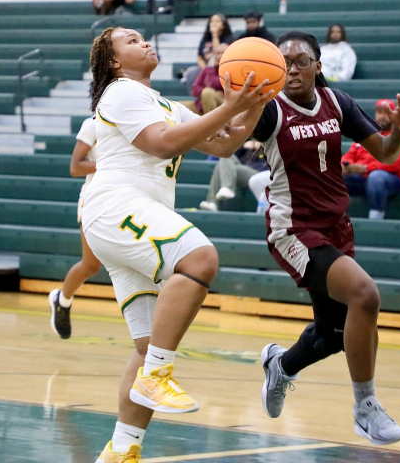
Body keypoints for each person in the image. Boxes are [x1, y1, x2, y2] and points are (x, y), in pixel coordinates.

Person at [82, 26, 272, 463]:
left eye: (143, 37)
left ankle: (121, 450)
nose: (145, 42)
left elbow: (225, 144)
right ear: (114, 62)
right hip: (116, 207)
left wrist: (254, 104)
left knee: (147, 346)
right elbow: (163, 144)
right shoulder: (120, 92)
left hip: (127, 219)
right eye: (132, 41)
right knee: (200, 258)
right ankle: (158, 375)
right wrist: (230, 106)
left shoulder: (166, 104)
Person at [239, 30, 400, 445]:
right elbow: (230, 142)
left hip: (336, 227)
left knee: (332, 336)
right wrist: (233, 108)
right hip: (293, 229)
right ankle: (366, 408)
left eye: (301, 61)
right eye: (284, 63)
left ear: (318, 65)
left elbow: (385, 153)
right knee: (365, 295)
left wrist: (399, 131)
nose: (292, 70)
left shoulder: (337, 102)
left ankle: (281, 365)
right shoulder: (270, 109)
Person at [48, 116, 102, 340]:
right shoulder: (93, 124)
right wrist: (111, 166)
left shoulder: (135, 122)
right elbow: (75, 167)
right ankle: (62, 300)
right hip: (94, 201)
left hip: (125, 200)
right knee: (91, 265)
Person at [341, 98, 400, 219]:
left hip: (391, 179)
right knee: (336, 177)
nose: (382, 117)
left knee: (376, 177)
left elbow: (395, 163)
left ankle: (375, 219)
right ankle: (340, 218)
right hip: (363, 178)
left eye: (386, 113)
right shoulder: (367, 133)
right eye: (379, 112)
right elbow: (350, 154)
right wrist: (346, 166)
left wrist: (365, 168)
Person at [198, 139, 268, 212]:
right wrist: (244, 146)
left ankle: (219, 196)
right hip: (241, 171)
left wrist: (263, 147)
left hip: (260, 175)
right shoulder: (248, 147)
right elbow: (233, 153)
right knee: (224, 159)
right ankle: (218, 197)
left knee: (221, 166)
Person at [182, 13, 234, 94]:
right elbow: (199, 58)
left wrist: (215, 35)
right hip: (205, 68)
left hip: (220, 68)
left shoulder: (229, 38)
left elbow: (217, 53)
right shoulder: (205, 38)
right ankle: (197, 97)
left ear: (223, 25)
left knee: (213, 61)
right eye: (212, 21)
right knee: (191, 72)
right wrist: (205, 69)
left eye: (217, 21)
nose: (214, 23)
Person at [190, 43, 227, 114]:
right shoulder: (207, 69)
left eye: (223, 53)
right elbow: (194, 89)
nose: (220, 56)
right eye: (218, 53)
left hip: (224, 103)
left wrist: (208, 92)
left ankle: (212, 121)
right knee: (178, 106)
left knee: (208, 93)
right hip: (202, 104)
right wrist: (206, 92)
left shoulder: (231, 70)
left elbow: (215, 84)